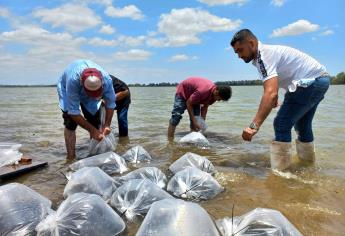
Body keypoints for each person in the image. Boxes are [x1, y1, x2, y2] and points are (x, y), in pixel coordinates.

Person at [230, 29, 330, 170]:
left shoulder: (263, 56)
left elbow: (269, 92)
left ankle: (282, 174)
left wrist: (253, 126)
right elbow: (273, 89)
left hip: (310, 83)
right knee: (302, 126)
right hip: (321, 80)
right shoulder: (264, 55)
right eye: (236, 52)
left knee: (281, 123)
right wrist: (273, 97)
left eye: (240, 50)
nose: (239, 56)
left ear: (251, 43)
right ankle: (308, 166)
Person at [57, 59, 116, 159]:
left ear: (101, 82)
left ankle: (93, 154)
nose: (93, 96)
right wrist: (92, 131)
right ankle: (71, 157)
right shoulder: (73, 81)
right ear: (81, 81)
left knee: (94, 120)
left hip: (88, 87)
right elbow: (73, 112)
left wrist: (107, 125)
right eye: (91, 94)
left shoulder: (107, 80)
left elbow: (110, 104)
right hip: (67, 88)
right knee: (70, 122)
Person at [168, 77, 232, 138]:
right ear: (216, 92)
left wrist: (201, 122)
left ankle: (192, 141)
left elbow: (205, 107)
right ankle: (170, 140)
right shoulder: (203, 91)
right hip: (183, 91)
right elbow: (188, 103)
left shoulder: (214, 96)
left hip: (195, 96)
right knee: (176, 116)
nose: (218, 101)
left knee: (196, 120)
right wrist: (194, 121)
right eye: (219, 99)